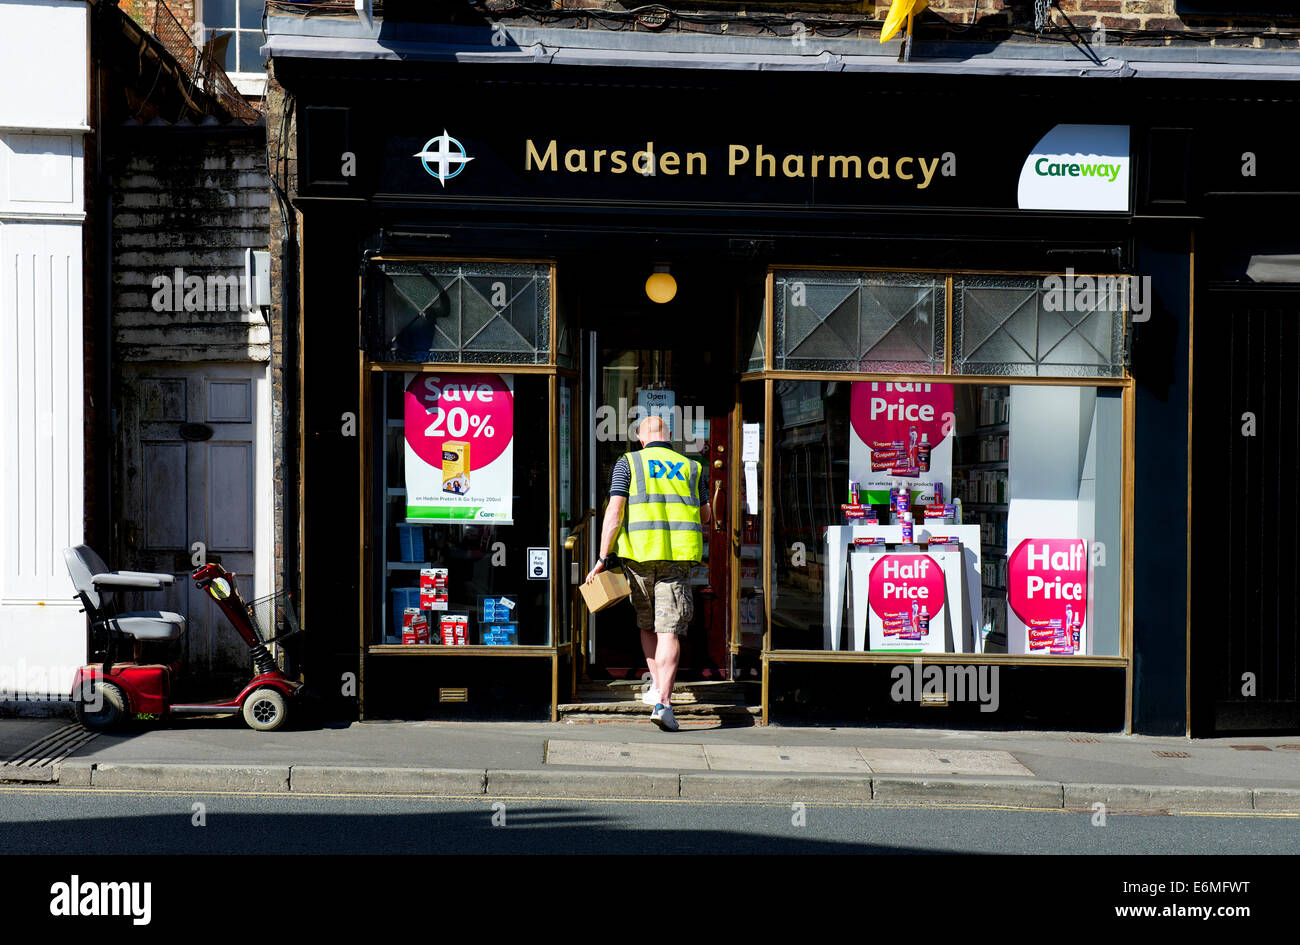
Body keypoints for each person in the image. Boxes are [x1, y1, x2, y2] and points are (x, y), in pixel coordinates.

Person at [585, 414, 710, 731]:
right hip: (676, 559)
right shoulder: (693, 468)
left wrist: (602, 557)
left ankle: (657, 689)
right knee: (669, 629)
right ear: (668, 438)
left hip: (638, 557)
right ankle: (663, 702)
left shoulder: (628, 463)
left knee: (648, 624)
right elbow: (707, 516)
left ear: (642, 440)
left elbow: (614, 512)